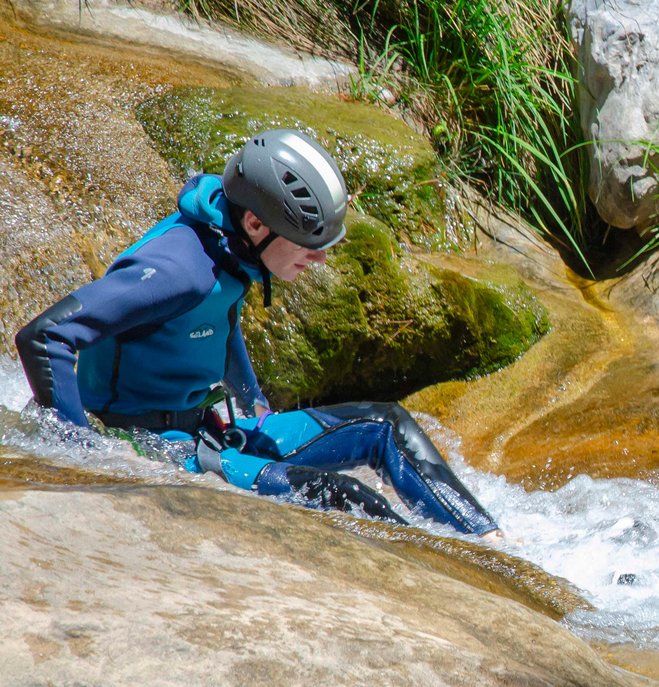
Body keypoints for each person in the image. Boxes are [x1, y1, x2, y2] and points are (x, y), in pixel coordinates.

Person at [13, 128, 499, 538]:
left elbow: (216, 324)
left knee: (386, 426)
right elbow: (45, 336)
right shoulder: (179, 269)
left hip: (206, 428)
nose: (321, 259)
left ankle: (491, 544)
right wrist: (83, 457)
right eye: (311, 244)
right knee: (347, 497)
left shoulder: (233, 250)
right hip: (158, 448)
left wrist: (256, 409)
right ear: (254, 221)